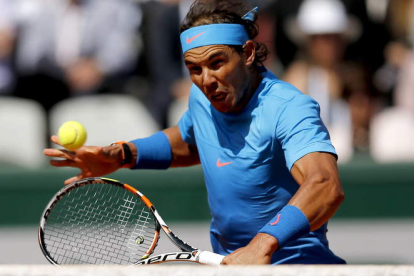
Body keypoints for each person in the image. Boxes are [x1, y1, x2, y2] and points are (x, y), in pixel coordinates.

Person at [44, 0, 345, 265]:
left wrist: (262, 244)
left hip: (300, 267)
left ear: (249, 53)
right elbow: (191, 141)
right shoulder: (202, 98)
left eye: (217, 63)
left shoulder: (289, 107)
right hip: (231, 264)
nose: (206, 80)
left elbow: (325, 184)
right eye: (194, 68)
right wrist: (123, 154)